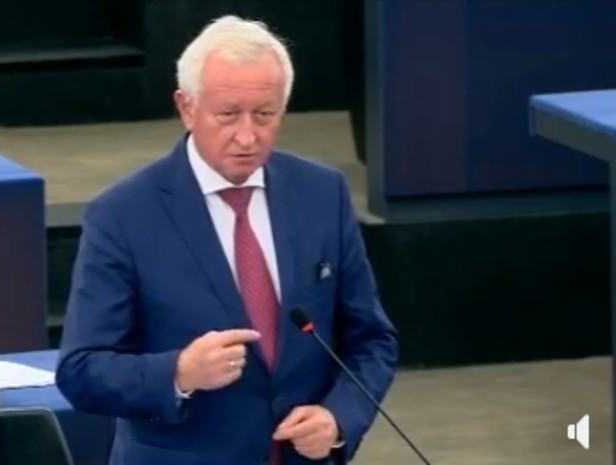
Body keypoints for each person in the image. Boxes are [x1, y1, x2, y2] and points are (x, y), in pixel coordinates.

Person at [55, 14, 398, 465]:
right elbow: (80, 370)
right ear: (187, 107)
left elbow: (371, 340)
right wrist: (178, 372)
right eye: (228, 115)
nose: (248, 136)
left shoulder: (322, 194)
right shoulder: (122, 215)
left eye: (265, 115)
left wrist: (338, 419)